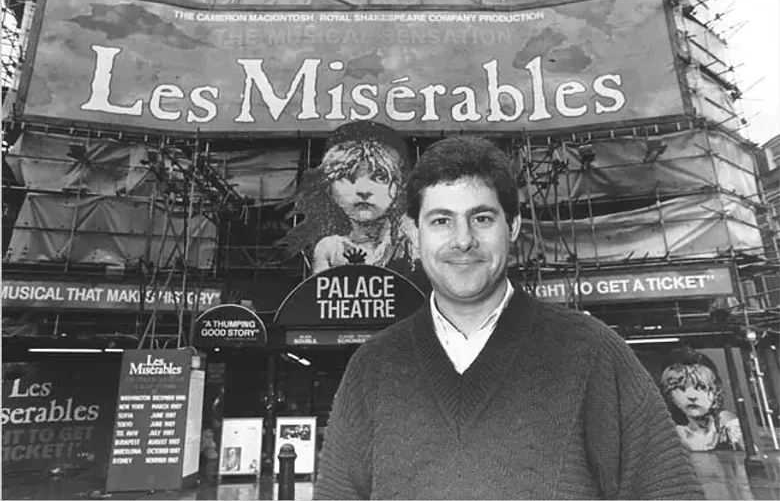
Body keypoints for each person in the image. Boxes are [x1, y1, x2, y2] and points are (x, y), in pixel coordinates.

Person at [314, 136, 704, 500]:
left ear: (512, 226)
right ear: (415, 233)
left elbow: (668, 490)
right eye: (441, 221)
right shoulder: (373, 366)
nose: (462, 240)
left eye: (481, 218)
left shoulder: (591, 351)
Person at [279, 121, 415, 274]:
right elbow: (321, 292)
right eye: (348, 177)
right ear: (330, 188)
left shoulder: (411, 243)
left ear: (398, 185)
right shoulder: (329, 249)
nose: (363, 190)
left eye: (380, 177)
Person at [660, 347, 744, 451]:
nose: (692, 396)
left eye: (701, 387)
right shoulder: (669, 434)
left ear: (716, 391)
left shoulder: (729, 426)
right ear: (669, 394)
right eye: (681, 388)